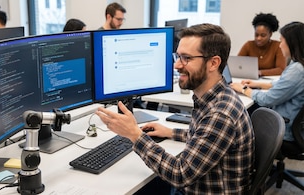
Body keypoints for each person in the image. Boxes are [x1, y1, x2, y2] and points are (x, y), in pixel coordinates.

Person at [96, 23, 255, 194]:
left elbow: (180, 174)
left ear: (213, 63)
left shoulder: (220, 115)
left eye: (186, 58)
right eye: (177, 57)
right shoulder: (214, 98)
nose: (177, 65)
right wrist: (171, 132)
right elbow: (203, 138)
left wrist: (135, 134)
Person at [231, 21, 304, 149]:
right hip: (288, 122)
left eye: (282, 41)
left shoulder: (297, 70)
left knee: (237, 122)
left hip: (283, 128)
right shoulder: (297, 65)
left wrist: (243, 89)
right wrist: (257, 84)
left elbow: (267, 99)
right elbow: (282, 84)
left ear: (292, 43)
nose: (280, 45)